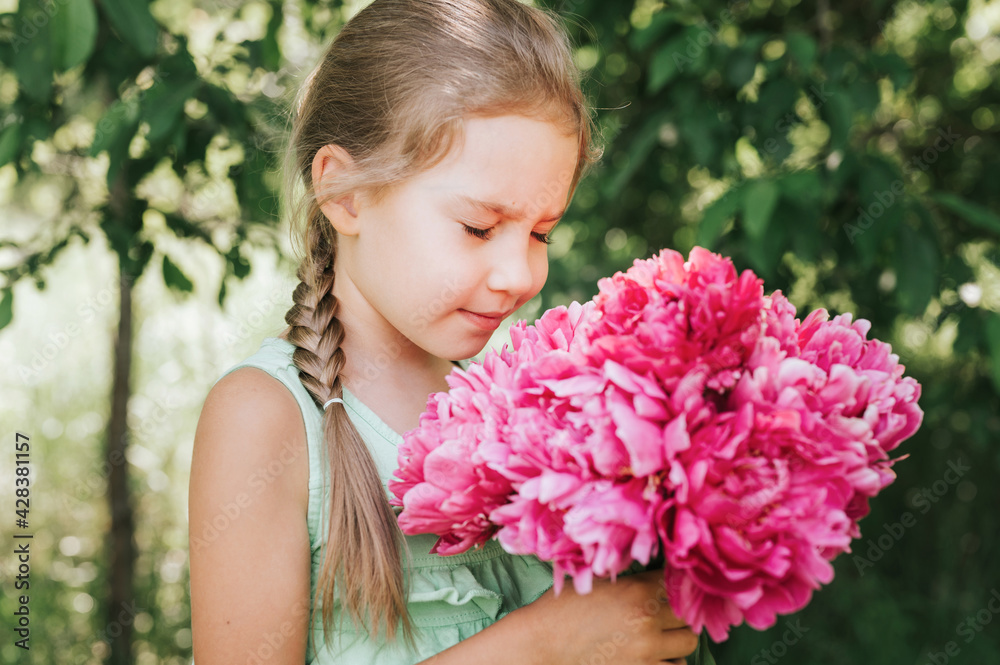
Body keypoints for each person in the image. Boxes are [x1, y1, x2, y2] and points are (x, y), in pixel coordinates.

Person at [188, 0, 701, 663]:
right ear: (345, 193)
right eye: (479, 228)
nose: (519, 274)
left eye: (542, 231)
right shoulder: (266, 418)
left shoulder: (516, 407)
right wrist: (541, 648)